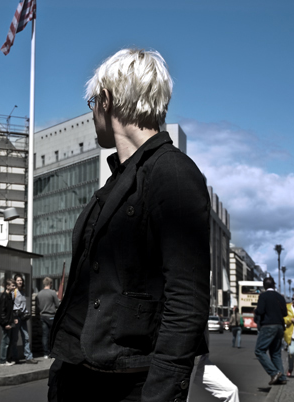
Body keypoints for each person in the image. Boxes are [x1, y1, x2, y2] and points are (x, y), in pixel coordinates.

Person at [47, 48, 210, 402]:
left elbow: (186, 299)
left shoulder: (173, 174)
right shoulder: (117, 182)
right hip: (82, 376)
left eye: (92, 103)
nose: (92, 115)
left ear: (106, 99)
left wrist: (162, 394)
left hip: (126, 385)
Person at [254, 277, 288, 385]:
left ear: (264, 286)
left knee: (259, 350)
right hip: (279, 326)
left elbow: (260, 311)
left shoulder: (263, 296)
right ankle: (282, 377)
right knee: (276, 353)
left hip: (268, 326)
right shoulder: (280, 297)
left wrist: (256, 310)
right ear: (274, 285)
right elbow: (285, 313)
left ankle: (274, 373)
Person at [11, 274, 38, 364]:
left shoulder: (22, 292)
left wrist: (26, 313)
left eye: (21, 280)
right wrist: (14, 317)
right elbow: (11, 305)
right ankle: (15, 357)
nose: (20, 282)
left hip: (23, 317)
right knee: (15, 338)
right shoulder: (13, 292)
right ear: (15, 281)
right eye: (18, 280)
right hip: (16, 317)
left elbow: (23, 305)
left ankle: (28, 357)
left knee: (26, 337)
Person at [36, 277, 60, 359]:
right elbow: (57, 305)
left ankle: (45, 353)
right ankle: (53, 352)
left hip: (43, 316)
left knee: (45, 335)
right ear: (50, 284)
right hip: (51, 316)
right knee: (53, 334)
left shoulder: (39, 293)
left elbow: (37, 306)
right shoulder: (52, 293)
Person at [0, 279, 17, 366]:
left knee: (8, 341)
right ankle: (3, 360)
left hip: (9, 321)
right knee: (5, 341)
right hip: (6, 323)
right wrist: (5, 323)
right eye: (13, 285)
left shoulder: (9, 295)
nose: (14, 287)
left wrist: (13, 319)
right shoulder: (4, 297)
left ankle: (6, 359)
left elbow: (9, 311)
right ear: (7, 286)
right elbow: (2, 312)